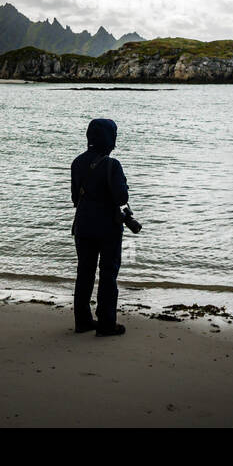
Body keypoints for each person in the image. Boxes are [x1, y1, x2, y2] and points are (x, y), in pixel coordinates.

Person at [71, 117, 130, 336]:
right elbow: (121, 197)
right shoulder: (112, 165)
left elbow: (75, 198)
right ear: (109, 139)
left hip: (83, 226)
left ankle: (83, 321)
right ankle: (106, 323)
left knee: (84, 273)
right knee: (108, 274)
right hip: (108, 229)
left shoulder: (77, 162)